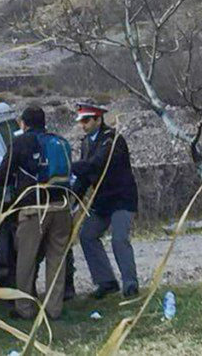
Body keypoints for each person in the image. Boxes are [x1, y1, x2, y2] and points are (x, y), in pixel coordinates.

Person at [0, 106, 72, 320]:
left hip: (34, 209)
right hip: (62, 206)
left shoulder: (21, 142)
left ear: (23, 123)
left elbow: (2, 176)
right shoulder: (58, 141)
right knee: (56, 259)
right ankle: (54, 309)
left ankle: (25, 308)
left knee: (26, 261)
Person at [71, 103, 140, 298]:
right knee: (87, 235)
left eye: (87, 120)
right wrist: (73, 200)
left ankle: (130, 283)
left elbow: (95, 164)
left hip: (121, 198)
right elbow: (86, 176)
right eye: (81, 121)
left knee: (119, 239)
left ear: (98, 120)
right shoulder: (86, 143)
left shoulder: (112, 140)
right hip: (102, 201)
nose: (83, 125)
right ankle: (106, 281)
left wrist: (68, 166)